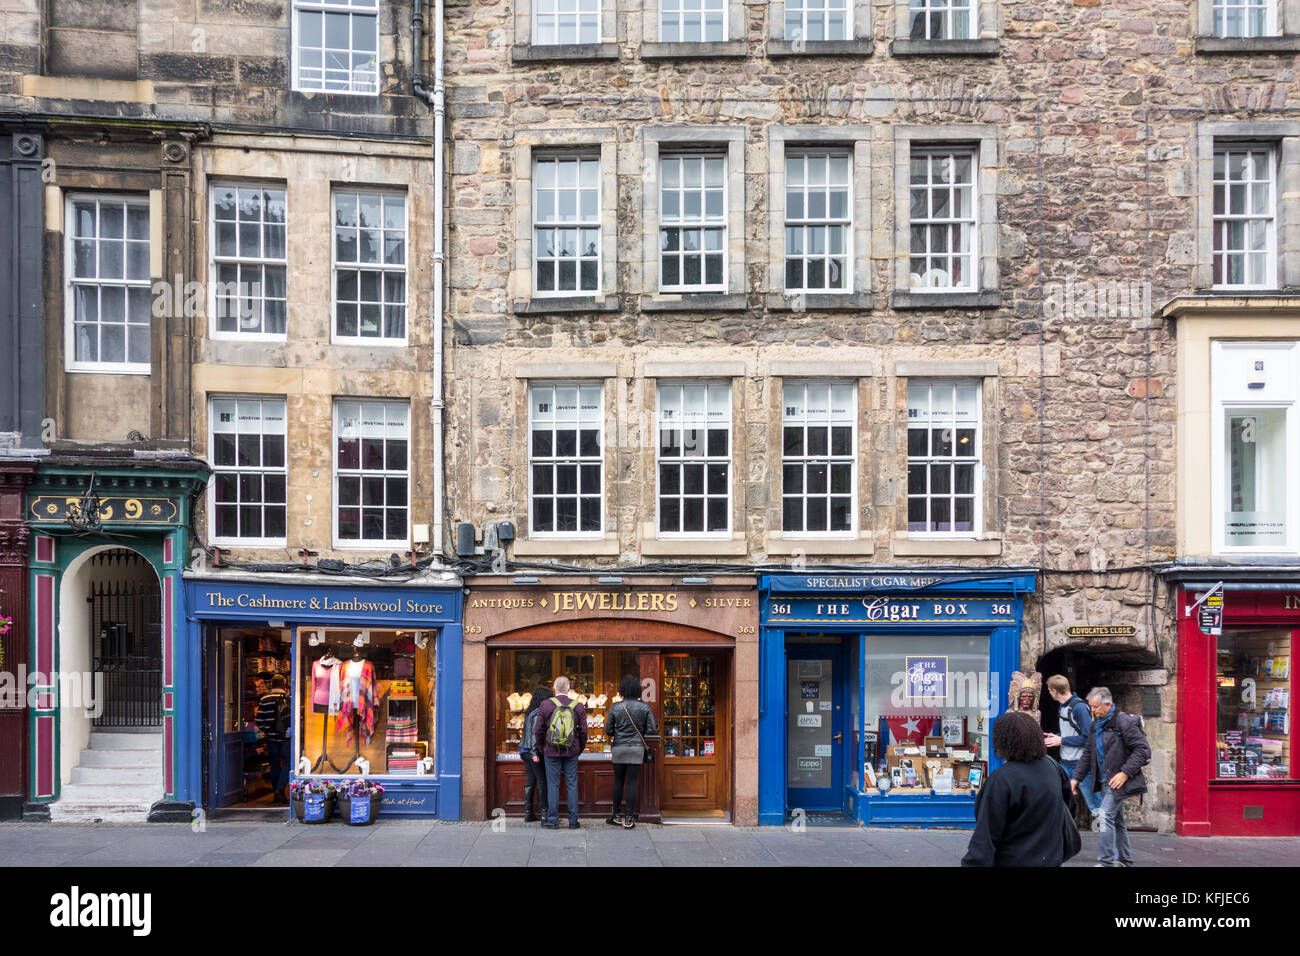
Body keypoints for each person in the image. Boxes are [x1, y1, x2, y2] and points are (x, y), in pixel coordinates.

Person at [961, 710, 1074, 867]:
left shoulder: (1001, 780)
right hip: (1050, 858)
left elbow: (985, 839)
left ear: (1002, 742)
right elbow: (1068, 807)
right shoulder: (1052, 766)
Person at [1070, 686, 1151, 868]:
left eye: (1096, 707)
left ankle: (1107, 862)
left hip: (1118, 780)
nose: (1092, 710)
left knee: (1105, 815)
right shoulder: (1096, 725)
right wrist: (1076, 778)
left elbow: (1143, 750)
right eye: (1091, 707)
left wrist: (1125, 772)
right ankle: (1125, 860)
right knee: (1117, 821)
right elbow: (1088, 754)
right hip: (1105, 782)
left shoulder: (1124, 722)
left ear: (1108, 704)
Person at [1043, 675, 1102, 827]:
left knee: (1095, 804)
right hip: (1065, 762)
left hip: (1081, 764)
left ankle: (1107, 832)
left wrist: (1061, 741)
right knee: (1060, 797)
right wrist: (1056, 736)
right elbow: (1071, 732)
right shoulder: (1063, 706)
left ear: (1055, 691)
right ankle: (1062, 827)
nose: (1049, 693)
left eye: (1049, 690)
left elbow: (1089, 737)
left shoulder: (1080, 708)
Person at [533, 676, 588, 829]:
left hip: (551, 751)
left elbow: (538, 730)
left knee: (553, 785)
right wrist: (579, 748)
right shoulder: (578, 706)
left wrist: (542, 747)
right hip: (572, 751)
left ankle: (552, 820)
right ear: (569, 690)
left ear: (554, 689)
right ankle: (573, 821)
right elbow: (584, 732)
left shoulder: (545, 705)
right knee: (572, 784)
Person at [605, 676, 658, 829]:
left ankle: (615, 815)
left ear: (621, 690)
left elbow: (608, 730)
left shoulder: (615, 707)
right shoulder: (644, 707)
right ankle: (628, 818)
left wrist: (619, 731)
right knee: (632, 782)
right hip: (636, 748)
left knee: (618, 782)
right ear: (637, 690)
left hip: (619, 748)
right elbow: (651, 730)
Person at [254, 673, 291, 803]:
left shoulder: (264, 699)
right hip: (286, 737)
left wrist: (268, 731)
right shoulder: (288, 698)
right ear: (284, 685)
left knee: (274, 764)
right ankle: (280, 789)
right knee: (288, 763)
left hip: (271, 738)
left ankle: (276, 792)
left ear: (271, 685)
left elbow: (259, 720)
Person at [520, 685, 553, 822]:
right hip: (534, 752)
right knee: (542, 781)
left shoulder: (529, 711)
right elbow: (534, 735)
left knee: (531, 781)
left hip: (524, 750)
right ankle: (544, 814)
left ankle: (529, 813)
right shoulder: (539, 712)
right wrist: (535, 753)